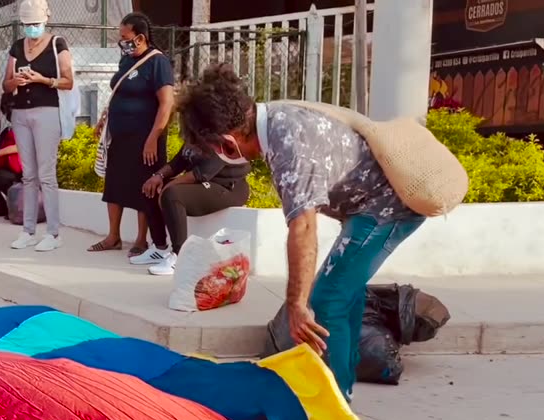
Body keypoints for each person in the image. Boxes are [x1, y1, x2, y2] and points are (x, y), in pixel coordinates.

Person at [177, 64, 425, 400]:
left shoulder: (287, 142)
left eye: (213, 150)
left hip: (386, 209)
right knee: (343, 297)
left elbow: (304, 227)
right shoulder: (275, 122)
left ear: (227, 143)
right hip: (368, 207)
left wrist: (296, 303)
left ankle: (334, 409)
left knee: (326, 300)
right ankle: (341, 390)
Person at [89, 12, 174, 255]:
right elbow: (120, 92)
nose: (121, 41)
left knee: (143, 189)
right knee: (114, 185)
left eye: (125, 37)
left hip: (145, 138)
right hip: (120, 136)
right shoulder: (126, 61)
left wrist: (152, 139)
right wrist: (104, 119)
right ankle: (113, 237)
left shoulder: (158, 62)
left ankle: (140, 240)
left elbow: (167, 104)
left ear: (140, 38)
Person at [4, 0, 73, 252]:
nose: (32, 28)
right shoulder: (16, 47)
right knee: (28, 175)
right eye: (28, 24)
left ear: (45, 20)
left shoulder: (58, 43)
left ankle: (53, 233)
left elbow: (68, 81)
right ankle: (28, 230)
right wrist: (17, 81)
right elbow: (5, 85)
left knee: (46, 174)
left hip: (47, 111)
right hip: (20, 113)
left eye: (36, 24)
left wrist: (42, 79)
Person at [137, 145, 250, 275]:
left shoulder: (222, 138)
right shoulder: (195, 134)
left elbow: (202, 173)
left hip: (227, 188)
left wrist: (168, 186)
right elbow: (177, 163)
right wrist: (158, 176)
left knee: (171, 194)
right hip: (204, 183)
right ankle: (159, 248)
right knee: (150, 187)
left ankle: (181, 257)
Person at [0, 111, 22, 217]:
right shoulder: (7, 131)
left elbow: (19, 147)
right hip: (7, 167)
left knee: (0, 177)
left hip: (22, 170)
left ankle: (17, 206)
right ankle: (2, 206)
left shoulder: (26, 128)